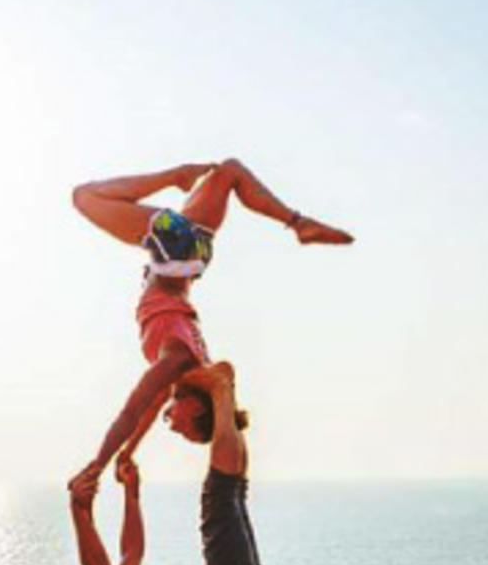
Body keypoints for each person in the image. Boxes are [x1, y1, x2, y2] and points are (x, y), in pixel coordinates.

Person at [65, 158, 353, 497]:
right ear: (198, 407)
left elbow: (149, 407)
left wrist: (128, 453)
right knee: (84, 197)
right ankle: (175, 175)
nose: (173, 429)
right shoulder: (178, 359)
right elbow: (132, 411)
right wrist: (96, 466)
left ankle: (298, 223)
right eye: (185, 430)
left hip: (194, 252)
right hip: (174, 249)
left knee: (228, 171)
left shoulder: (190, 369)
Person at [11, 361, 271, 565]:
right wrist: (79, 513)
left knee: (231, 494)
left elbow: (130, 553)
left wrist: (131, 494)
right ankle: (221, 390)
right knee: (220, 497)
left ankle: (223, 393)